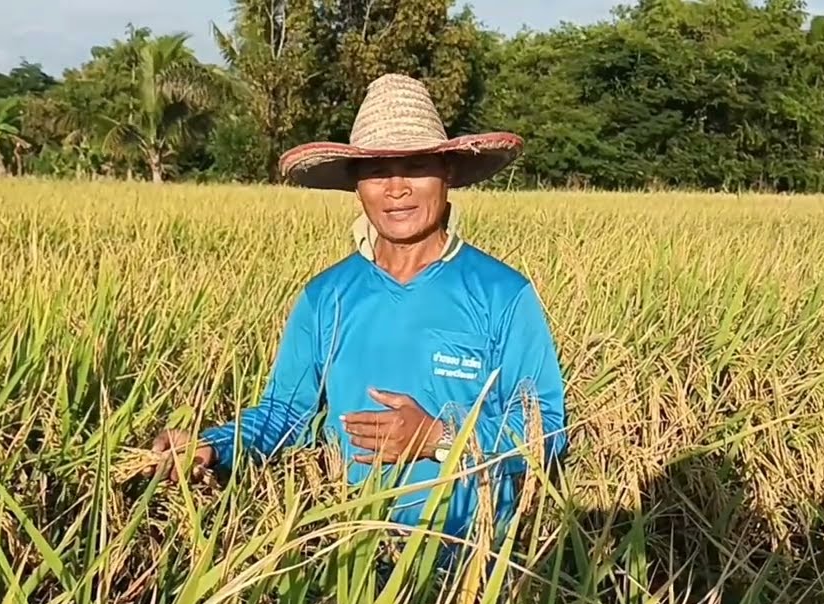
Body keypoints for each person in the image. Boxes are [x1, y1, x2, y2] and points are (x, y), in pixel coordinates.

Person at [151, 73, 568, 541]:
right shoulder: (326, 297)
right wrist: (212, 445)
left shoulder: (502, 293)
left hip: (471, 562)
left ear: (447, 172)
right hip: (347, 556)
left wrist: (436, 437)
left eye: (415, 166)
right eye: (376, 171)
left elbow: (547, 428)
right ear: (355, 184)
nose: (396, 188)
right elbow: (286, 414)